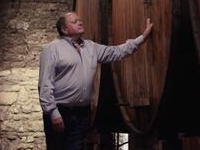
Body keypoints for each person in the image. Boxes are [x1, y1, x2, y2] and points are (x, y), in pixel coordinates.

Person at [39, 12, 153, 150]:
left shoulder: (91, 47)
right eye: (74, 22)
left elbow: (116, 51)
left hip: (82, 113)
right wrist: (53, 113)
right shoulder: (52, 49)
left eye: (79, 20)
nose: (80, 22)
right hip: (61, 112)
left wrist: (142, 38)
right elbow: (45, 83)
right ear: (64, 29)